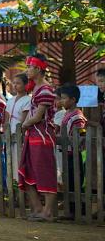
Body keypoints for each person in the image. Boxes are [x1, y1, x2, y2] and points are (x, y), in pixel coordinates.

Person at [18, 54, 57, 222]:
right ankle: (39, 209)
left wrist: (24, 125)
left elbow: (38, 116)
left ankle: (47, 212)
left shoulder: (45, 89)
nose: (27, 70)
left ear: (39, 69)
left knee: (45, 172)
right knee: (28, 170)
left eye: (30, 67)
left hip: (42, 136)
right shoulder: (36, 88)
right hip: (33, 135)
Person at [57, 84, 87, 218]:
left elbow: (80, 135)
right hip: (67, 154)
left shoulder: (77, 116)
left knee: (75, 182)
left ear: (73, 99)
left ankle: (77, 211)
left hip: (74, 154)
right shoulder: (68, 114)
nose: (61, 101)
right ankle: (73, 210)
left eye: (64, 98)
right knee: (69, 182)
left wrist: (73, 142)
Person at [4, 73, 30, 180]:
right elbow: (6, 117)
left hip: (20, 135)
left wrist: (20, 132)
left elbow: (24, 120)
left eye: (18, 83)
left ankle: (21, 184)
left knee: (19, 161)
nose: (15, 85)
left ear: (26, 85)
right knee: (10, 161)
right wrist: (6, 130)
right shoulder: (10, 100)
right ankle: (13, 185)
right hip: (9, 133)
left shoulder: (28, 100)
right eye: (14, 83)